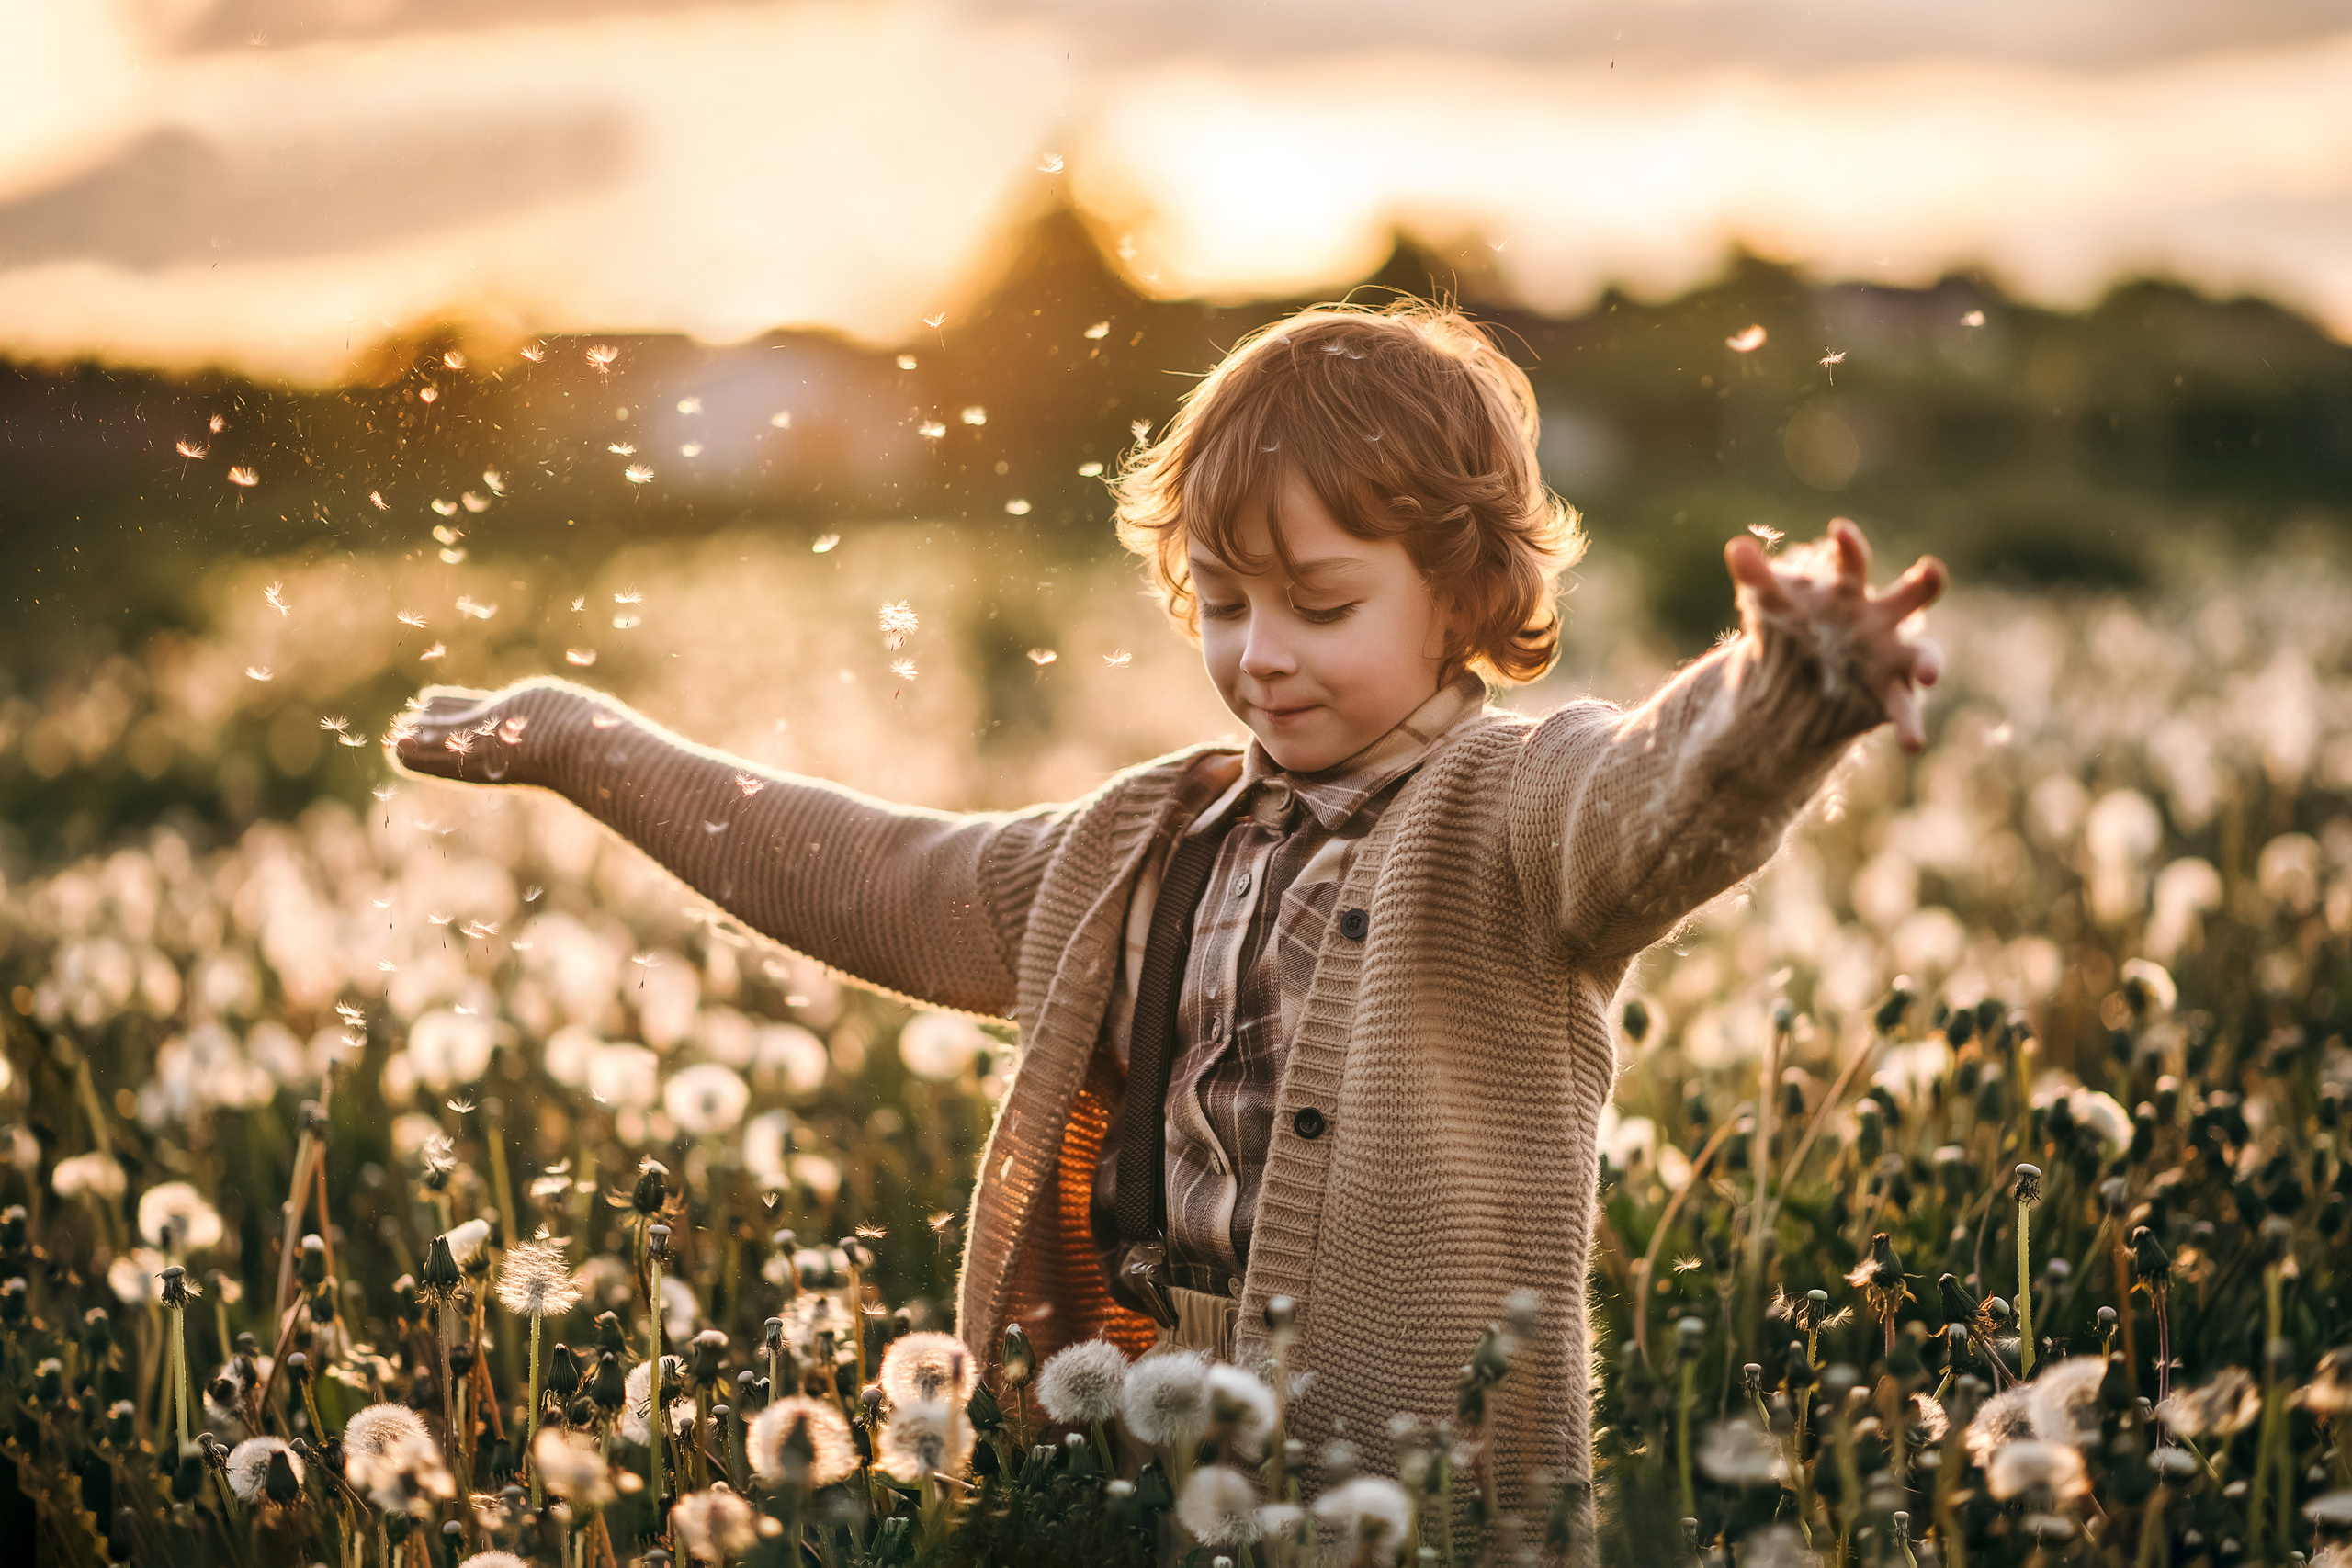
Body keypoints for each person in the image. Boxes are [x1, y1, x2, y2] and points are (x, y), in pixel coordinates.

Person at [392, 299, 1942, 1555]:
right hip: (1141, 1457)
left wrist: (1792, 690)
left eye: (1320, 607)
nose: (1260, 656)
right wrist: (586, 743)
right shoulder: (1142, 837)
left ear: (1466, 595)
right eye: (1220, 602)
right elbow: (874, 870)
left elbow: (1651, 800)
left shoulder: (1514, 815)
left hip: (1426, 1495)